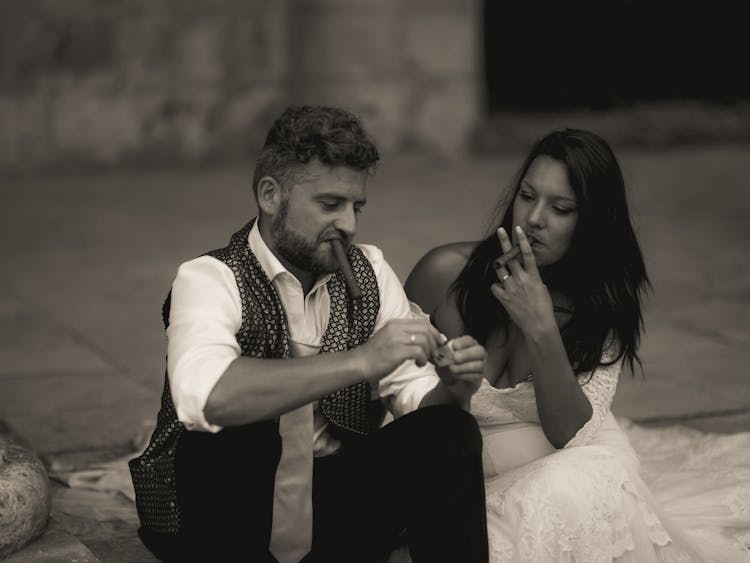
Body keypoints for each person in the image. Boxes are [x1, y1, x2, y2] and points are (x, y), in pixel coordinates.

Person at [129, 105, 489, 562]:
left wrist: (454, 388)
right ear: (270, 195)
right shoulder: (210, 277)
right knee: (243, 432)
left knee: (449, 431)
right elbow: (205, 397)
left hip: (330, 498)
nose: (349, 225)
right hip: (220, 511)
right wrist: (360, 361)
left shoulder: (371, 272)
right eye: (329, 204)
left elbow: (417, 400)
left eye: (356, 206)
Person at [405, 128, 750, 561]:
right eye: (528, 196)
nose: (534, 218)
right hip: (469, 473)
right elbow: (391, 398)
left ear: (590, 222)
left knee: (581, 481)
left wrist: (540, 326)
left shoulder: (600, 304)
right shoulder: (444, 274)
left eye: (560, 208)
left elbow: (570, 435)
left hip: (569, 456)